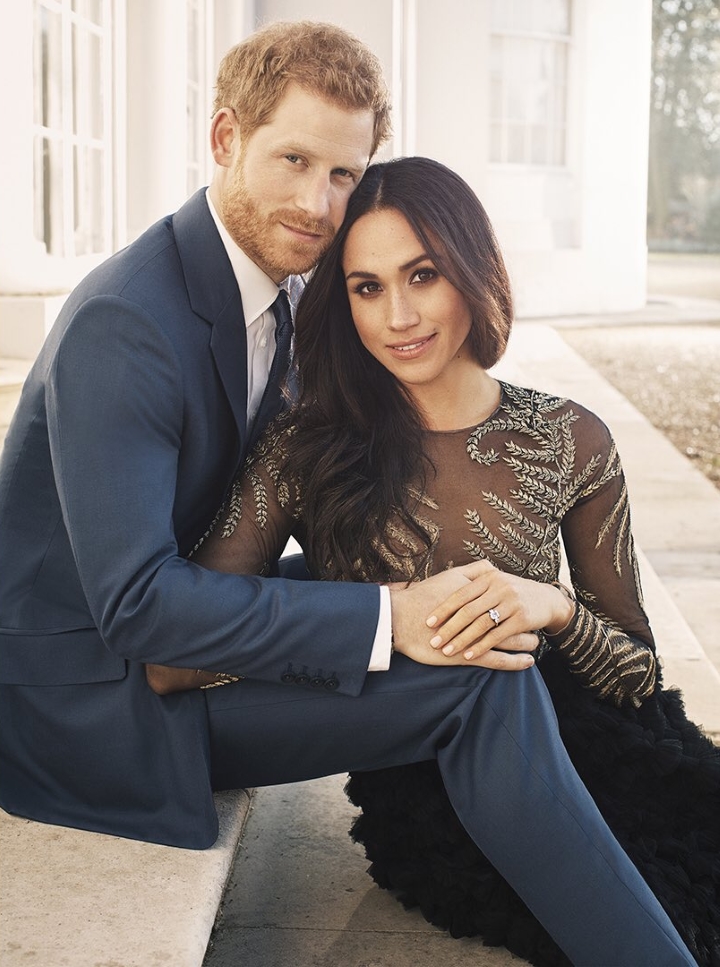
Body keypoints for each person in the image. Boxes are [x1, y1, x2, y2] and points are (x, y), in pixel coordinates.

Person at [149, 157, 717, 966]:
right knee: (661, 914)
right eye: (367, 287)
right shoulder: (306, 447)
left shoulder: (570, 439)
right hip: (436, 784)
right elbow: (187, 635)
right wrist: (364, 631)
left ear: (472, 269)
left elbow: (637, 672)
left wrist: (554, 607)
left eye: (424, 274)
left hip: (602, 746)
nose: (399, 316)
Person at [0, 21, 520, 851]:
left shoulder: (287, 294)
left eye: (343, 174)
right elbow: (137, 606)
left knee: (469, 607)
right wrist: (389, 616)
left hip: (186, 623)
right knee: (480, 680)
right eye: (294, 160)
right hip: (89, 700)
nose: (318, 205)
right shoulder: (125, 322)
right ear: (225, 138)